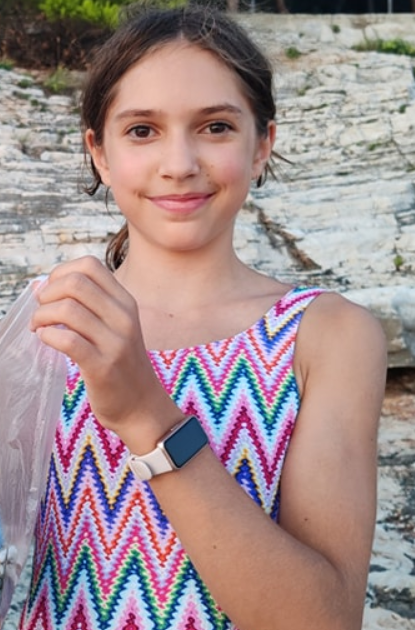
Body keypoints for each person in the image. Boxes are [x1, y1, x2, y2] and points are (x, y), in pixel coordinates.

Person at [20, 3, 387, 630]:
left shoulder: (329, 336)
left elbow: (323, 619)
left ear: (262, 143)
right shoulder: (51, 321)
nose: (180, 163)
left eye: (215, 127)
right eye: (142, 131)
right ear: (99, 153)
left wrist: (146, 415)